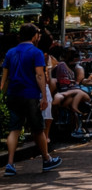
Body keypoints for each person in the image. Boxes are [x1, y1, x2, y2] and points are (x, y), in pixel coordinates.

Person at [3, 24, 62, 175]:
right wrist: (43, 95)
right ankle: (47, 159)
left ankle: (10, 163)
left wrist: (4, 93)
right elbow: (40, 75)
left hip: (13, 94)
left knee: (14, 129)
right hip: (30, 95)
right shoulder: (36, 52)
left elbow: (4, 79)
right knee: (38, 129)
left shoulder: (10, 52)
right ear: (34, 36)